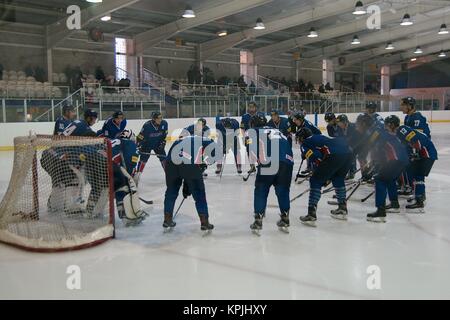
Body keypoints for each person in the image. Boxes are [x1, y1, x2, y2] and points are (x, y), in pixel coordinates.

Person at [355, 114, 409, 222]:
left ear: (364, 124)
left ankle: (381, 211)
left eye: (359, 124)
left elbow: (371, 146)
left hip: (395, 159)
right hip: (403, 159)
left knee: (379, 179)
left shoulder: (375, 132)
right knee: (390, 180)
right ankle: (394, 204)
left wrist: (366, 160)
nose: (358, 126)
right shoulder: (380, 130)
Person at [246, 114, 294, 234]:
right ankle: (285, 217)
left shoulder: (253, 130)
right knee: (283, 191)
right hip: (287, 162)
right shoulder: (277, 131)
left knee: (261, 190)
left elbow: (250, 148)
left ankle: (258, 219)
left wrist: (255, 162)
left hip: (269, 161)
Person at [296, 128, 353, 227]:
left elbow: (316, 157)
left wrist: (323, 175)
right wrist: (327, 175)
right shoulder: (319, 137)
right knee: (338, 178)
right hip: (348, 153)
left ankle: (311, 214)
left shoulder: (306, 142)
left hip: (334, 155)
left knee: (315, 180)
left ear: (302, 137)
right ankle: (342, 208)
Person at [162, 134, 216, 234]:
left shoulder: (187, 139)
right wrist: (203, 165)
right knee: (199, 193)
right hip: (189, 163)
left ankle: (167, 219)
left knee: (171, 191)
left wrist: (187, 182)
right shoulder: (211, 143)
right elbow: (211, 157)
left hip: (171, 163)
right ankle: (204, 222)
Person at [385, 115, 438, 212]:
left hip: (427, 153)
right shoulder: (400, 131)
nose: (386, 128)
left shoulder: (401, 130)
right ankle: (419, 197)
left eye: (387, 125)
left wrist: (414, 153)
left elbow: (415, 140)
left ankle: (419, 201)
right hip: (426, 153)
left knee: (418, 176)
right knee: (416, 175)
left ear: (392, 125)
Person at [240, 101, 263, 174]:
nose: (251, 108)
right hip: (248, 137)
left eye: (252, 107)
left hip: (259, 137)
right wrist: (243, 137)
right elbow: (242, 128)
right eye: (249, 107)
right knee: (249, 151)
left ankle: (260, 164)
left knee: (259, 151)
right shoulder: (245, 116)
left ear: (255, 107)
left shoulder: (260, 115)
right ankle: (252, 166)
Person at [336, 114, 359, 180]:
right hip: (347, 144)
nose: (339, 125)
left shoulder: (353, 127)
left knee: (351, 155)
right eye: (338, 123)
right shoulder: (339, 128)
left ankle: (352, 171)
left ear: (345, 122)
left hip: (357, 143)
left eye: (340, 123)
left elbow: (357, 138)